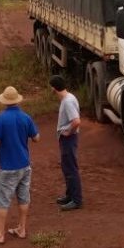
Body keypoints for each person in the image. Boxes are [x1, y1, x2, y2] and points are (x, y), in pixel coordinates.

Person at [0, 86, 40, 244]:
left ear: (4, 102)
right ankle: (22, 228)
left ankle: (0, 234)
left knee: (3, 200)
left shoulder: (0, 119)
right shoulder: (25, 117)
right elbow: (36, 138)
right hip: (25, 165)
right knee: (23, 197)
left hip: (8, 167)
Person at [49, 75, 83, 211]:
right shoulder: (69, 97)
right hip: (67, 139)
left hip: (68, 139)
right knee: (67, 167)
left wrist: (68, 132)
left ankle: (76, 200)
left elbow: (76, 121)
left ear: (53, 88)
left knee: (70, 168)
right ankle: (70, 196)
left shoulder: (67, 102)